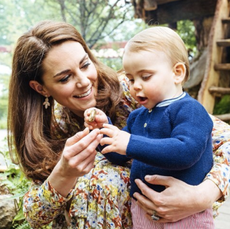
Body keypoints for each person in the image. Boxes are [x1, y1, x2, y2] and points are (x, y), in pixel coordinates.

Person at [7, 20, 230, 229]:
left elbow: (222, 138)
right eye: (65, 78)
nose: (84, 81)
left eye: (85, 65)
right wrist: (63, 175)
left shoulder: (137, 90)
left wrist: (203, 195)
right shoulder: (48, 130)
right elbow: (35, 216)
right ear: (41, 88)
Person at [84, 26, 215, 228]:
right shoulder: (137, 117)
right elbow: (119, 154)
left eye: (145, 76)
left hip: (185, 213)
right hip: (144, 210)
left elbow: (185, 152)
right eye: (131, 78)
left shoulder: (190, 110)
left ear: (177, 73)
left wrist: (129, 143)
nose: (135, 85)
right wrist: (103, 130)